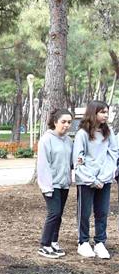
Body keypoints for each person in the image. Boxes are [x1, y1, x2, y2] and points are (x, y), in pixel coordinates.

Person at [72, 100, 118, 259]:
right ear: (93, 113)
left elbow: (113, 155)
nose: (106, 115)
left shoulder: (108, 132)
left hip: (104, 180)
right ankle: (83, 242)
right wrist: (92, 179)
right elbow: (78, 159)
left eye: (107, 112)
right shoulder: (82, 134)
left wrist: (104, 177)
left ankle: (100, 242)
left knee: (102, 212)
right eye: (102, 112)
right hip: (86, 181)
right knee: (84, 212)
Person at [36, 109, 73, 259]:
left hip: (64, 184)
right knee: (54, 213)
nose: (66, 125)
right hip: (51, 184)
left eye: (69, 122)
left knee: (59, 215)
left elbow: (69, 162)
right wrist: (46, 187)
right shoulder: (46, 139)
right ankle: (44, 244)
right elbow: (43, 165)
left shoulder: (69, 140)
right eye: (63, 121)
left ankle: (54, 242)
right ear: (55, 122)